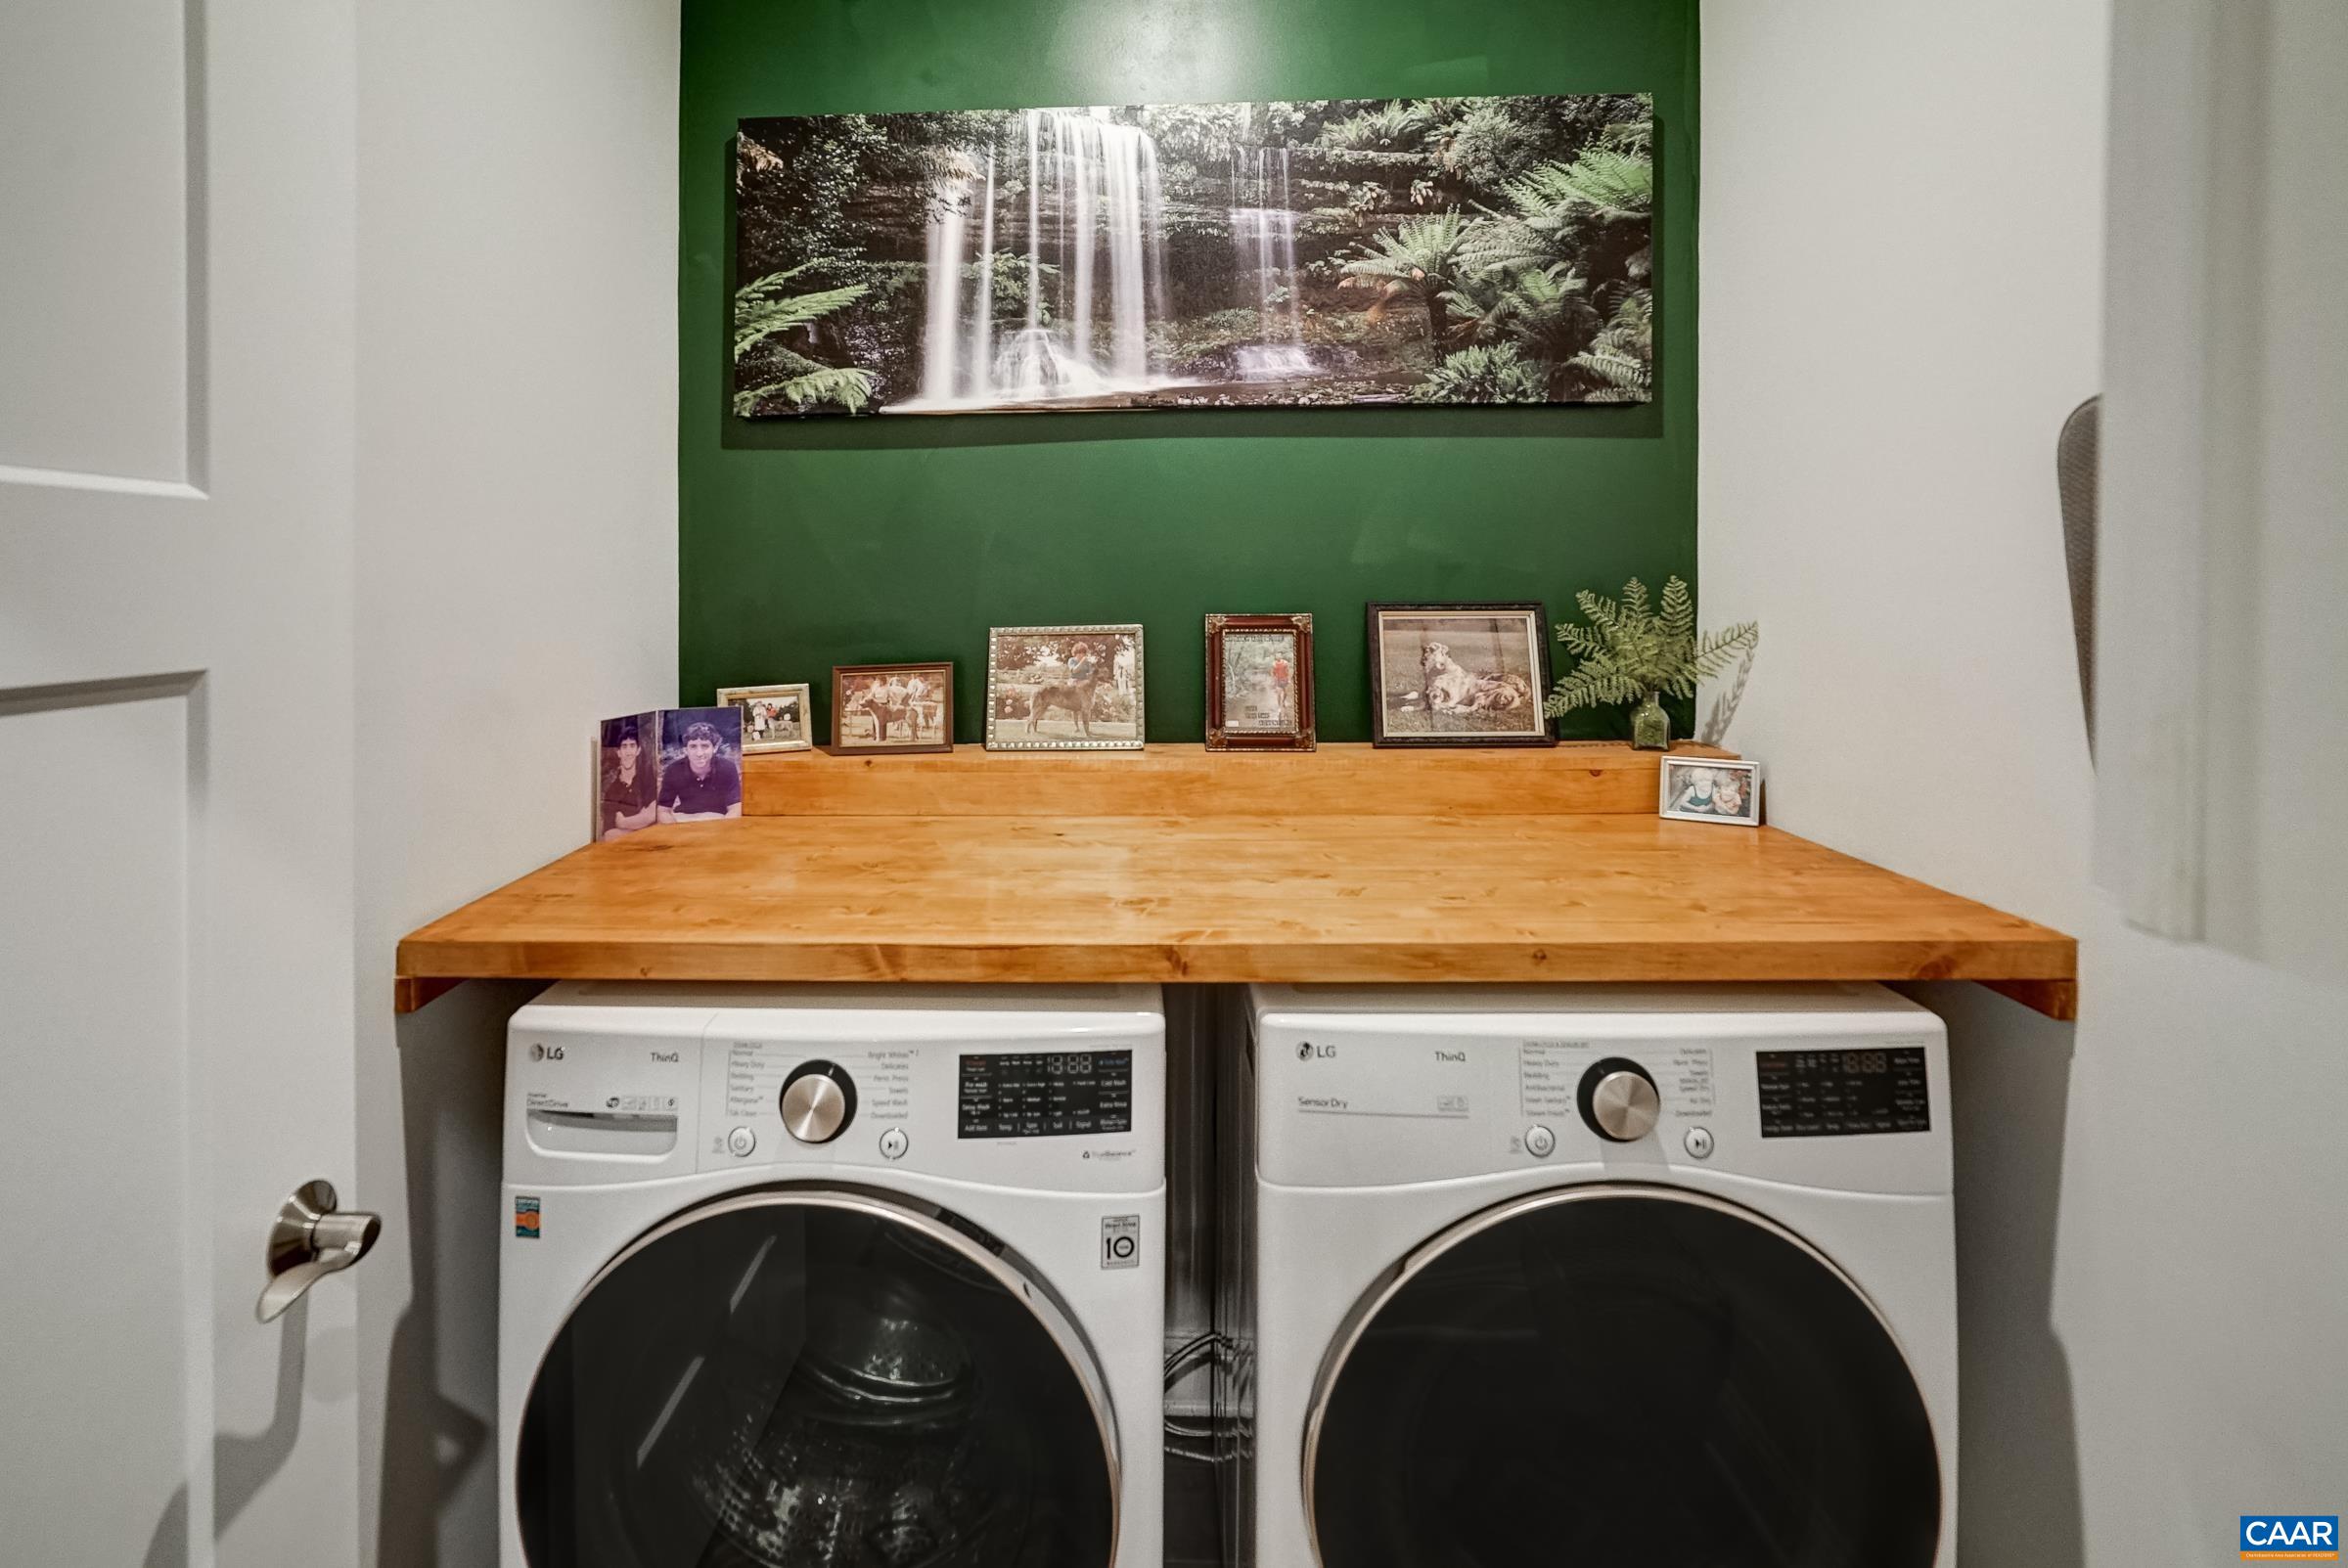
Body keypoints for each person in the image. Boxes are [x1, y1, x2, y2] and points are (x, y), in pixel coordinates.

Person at [657, 720, 742, 822]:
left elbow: (735, 808)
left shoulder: (727, 768)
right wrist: (676, 831)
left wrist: (721, 831)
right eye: (693, 746)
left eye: (705, 746)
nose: (699, 753)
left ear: (715, 748)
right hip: (685, 820)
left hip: (718, 820)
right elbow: (663, 811)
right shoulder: (674, 770)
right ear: (685, 750)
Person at [600, 719, 658, 839]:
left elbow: (651, 816)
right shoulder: (612, 791)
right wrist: (641, 825)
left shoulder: (647, 779)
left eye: (632, 746)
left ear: (638, 750)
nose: (628, 752)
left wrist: (623, 823)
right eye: (624, 746)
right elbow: (609, 835)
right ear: (618, 752)